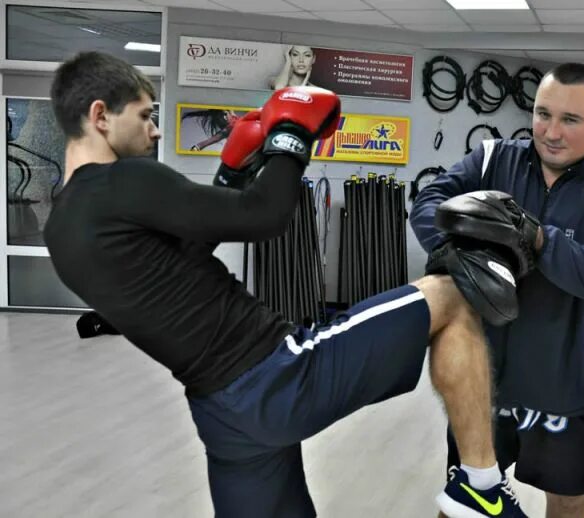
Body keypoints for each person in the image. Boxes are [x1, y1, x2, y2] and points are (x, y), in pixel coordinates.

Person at [44, 51, 530, 518]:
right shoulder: (122, 182)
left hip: (223, 415)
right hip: (275, 372)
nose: (153, 131)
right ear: (100, 115)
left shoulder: (63, 228)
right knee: (448, 293)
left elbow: (183, 257)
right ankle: (479, 486)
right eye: (145, 115)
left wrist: (232, 171)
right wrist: (292, 133)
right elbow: (266, 215)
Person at [411, 63, 584, 518]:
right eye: (543, 114)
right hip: (480, 376)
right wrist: (457, 252)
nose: (551, 131)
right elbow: (430, 203)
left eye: (571, 119)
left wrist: (537, 238)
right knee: (466, 499)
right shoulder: (490, 159)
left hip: (563, 384)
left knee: (566, 500)